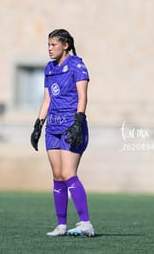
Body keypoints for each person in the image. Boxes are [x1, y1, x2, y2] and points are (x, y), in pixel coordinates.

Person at [31, 29, 94, 237]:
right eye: (48, 45)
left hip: (71, 126)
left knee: (68, 173)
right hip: (53, 127)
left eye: (53, 45)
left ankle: (85, 223)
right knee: (57, 176)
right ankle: (61, 225)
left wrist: (78, 121)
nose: (49, 49)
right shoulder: (49, 68)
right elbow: (47, 99)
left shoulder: (77, 65)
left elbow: (83, 97)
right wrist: (38, 125)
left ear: (65, 45)